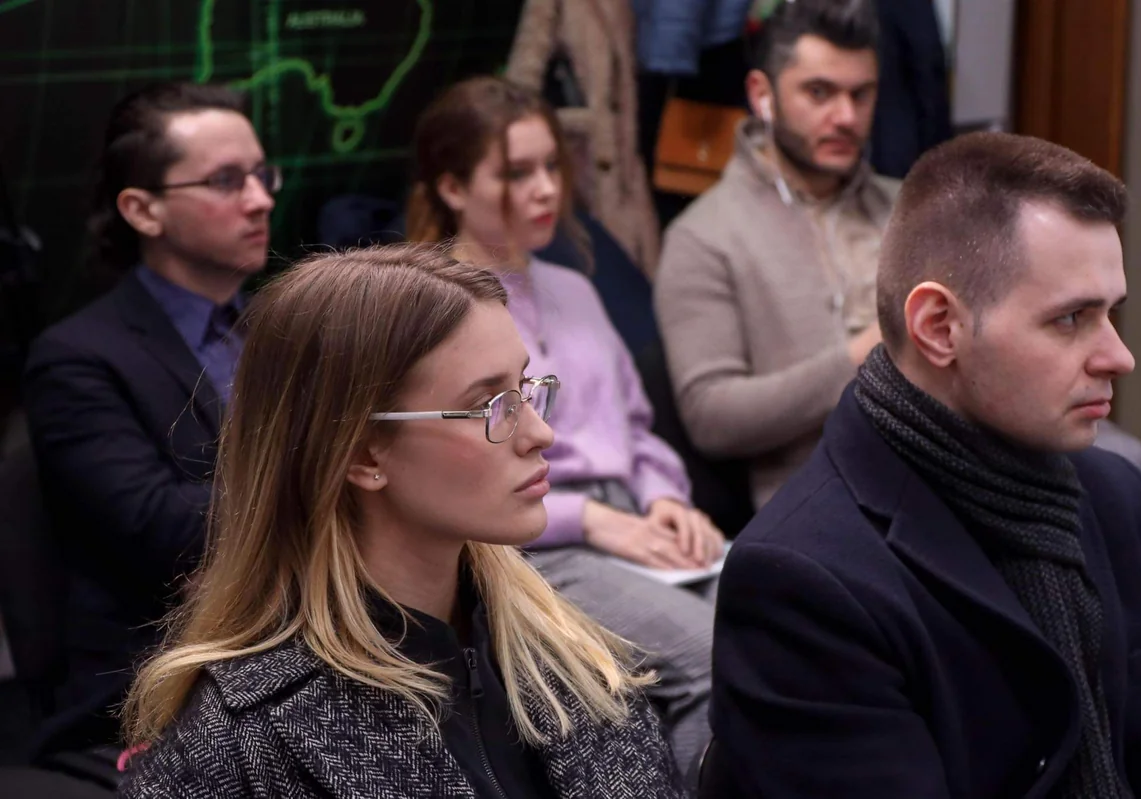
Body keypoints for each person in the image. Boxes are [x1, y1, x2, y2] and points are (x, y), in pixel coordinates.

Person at [706, 132, 1141, 797]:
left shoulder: (1123, 504)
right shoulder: (804, 580)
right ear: (939, 327)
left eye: (1112, 313)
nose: (1119, 356)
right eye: (1071, 319)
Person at [118, 245, 684, 797]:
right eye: (490, 405)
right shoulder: (238, 742)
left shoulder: (574, 656)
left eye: (526, 389)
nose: (541, 433)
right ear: (363, 453)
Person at [406, 75, 725, 773]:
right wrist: (596, 520)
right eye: (516, 173)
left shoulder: (576, 288)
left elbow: (634, 425)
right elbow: (463, 469)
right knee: (711, 657)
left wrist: (666, 498)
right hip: (529, 542)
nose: (546, 189)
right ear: (453, 188)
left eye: (552, 166)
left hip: (631, 517)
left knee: (780, 619)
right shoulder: (436, 311)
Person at [21, 82, 277, 755]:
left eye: (262, 174)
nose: (260, 199)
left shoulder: (280, 330)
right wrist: (327, 483)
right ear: (142, 209)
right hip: (162, 686)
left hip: (292, 643)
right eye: (227, 181)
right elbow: (160, 526)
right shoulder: (79, 357)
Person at [654, 0, 899, 509]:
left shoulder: (908, 208)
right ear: (762, 95)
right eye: (819, 93)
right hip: (821, 508)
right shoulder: (705, 236)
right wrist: (864, 356)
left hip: (949, 475)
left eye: (861, 94)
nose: (846, 117)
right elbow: (711, 417)